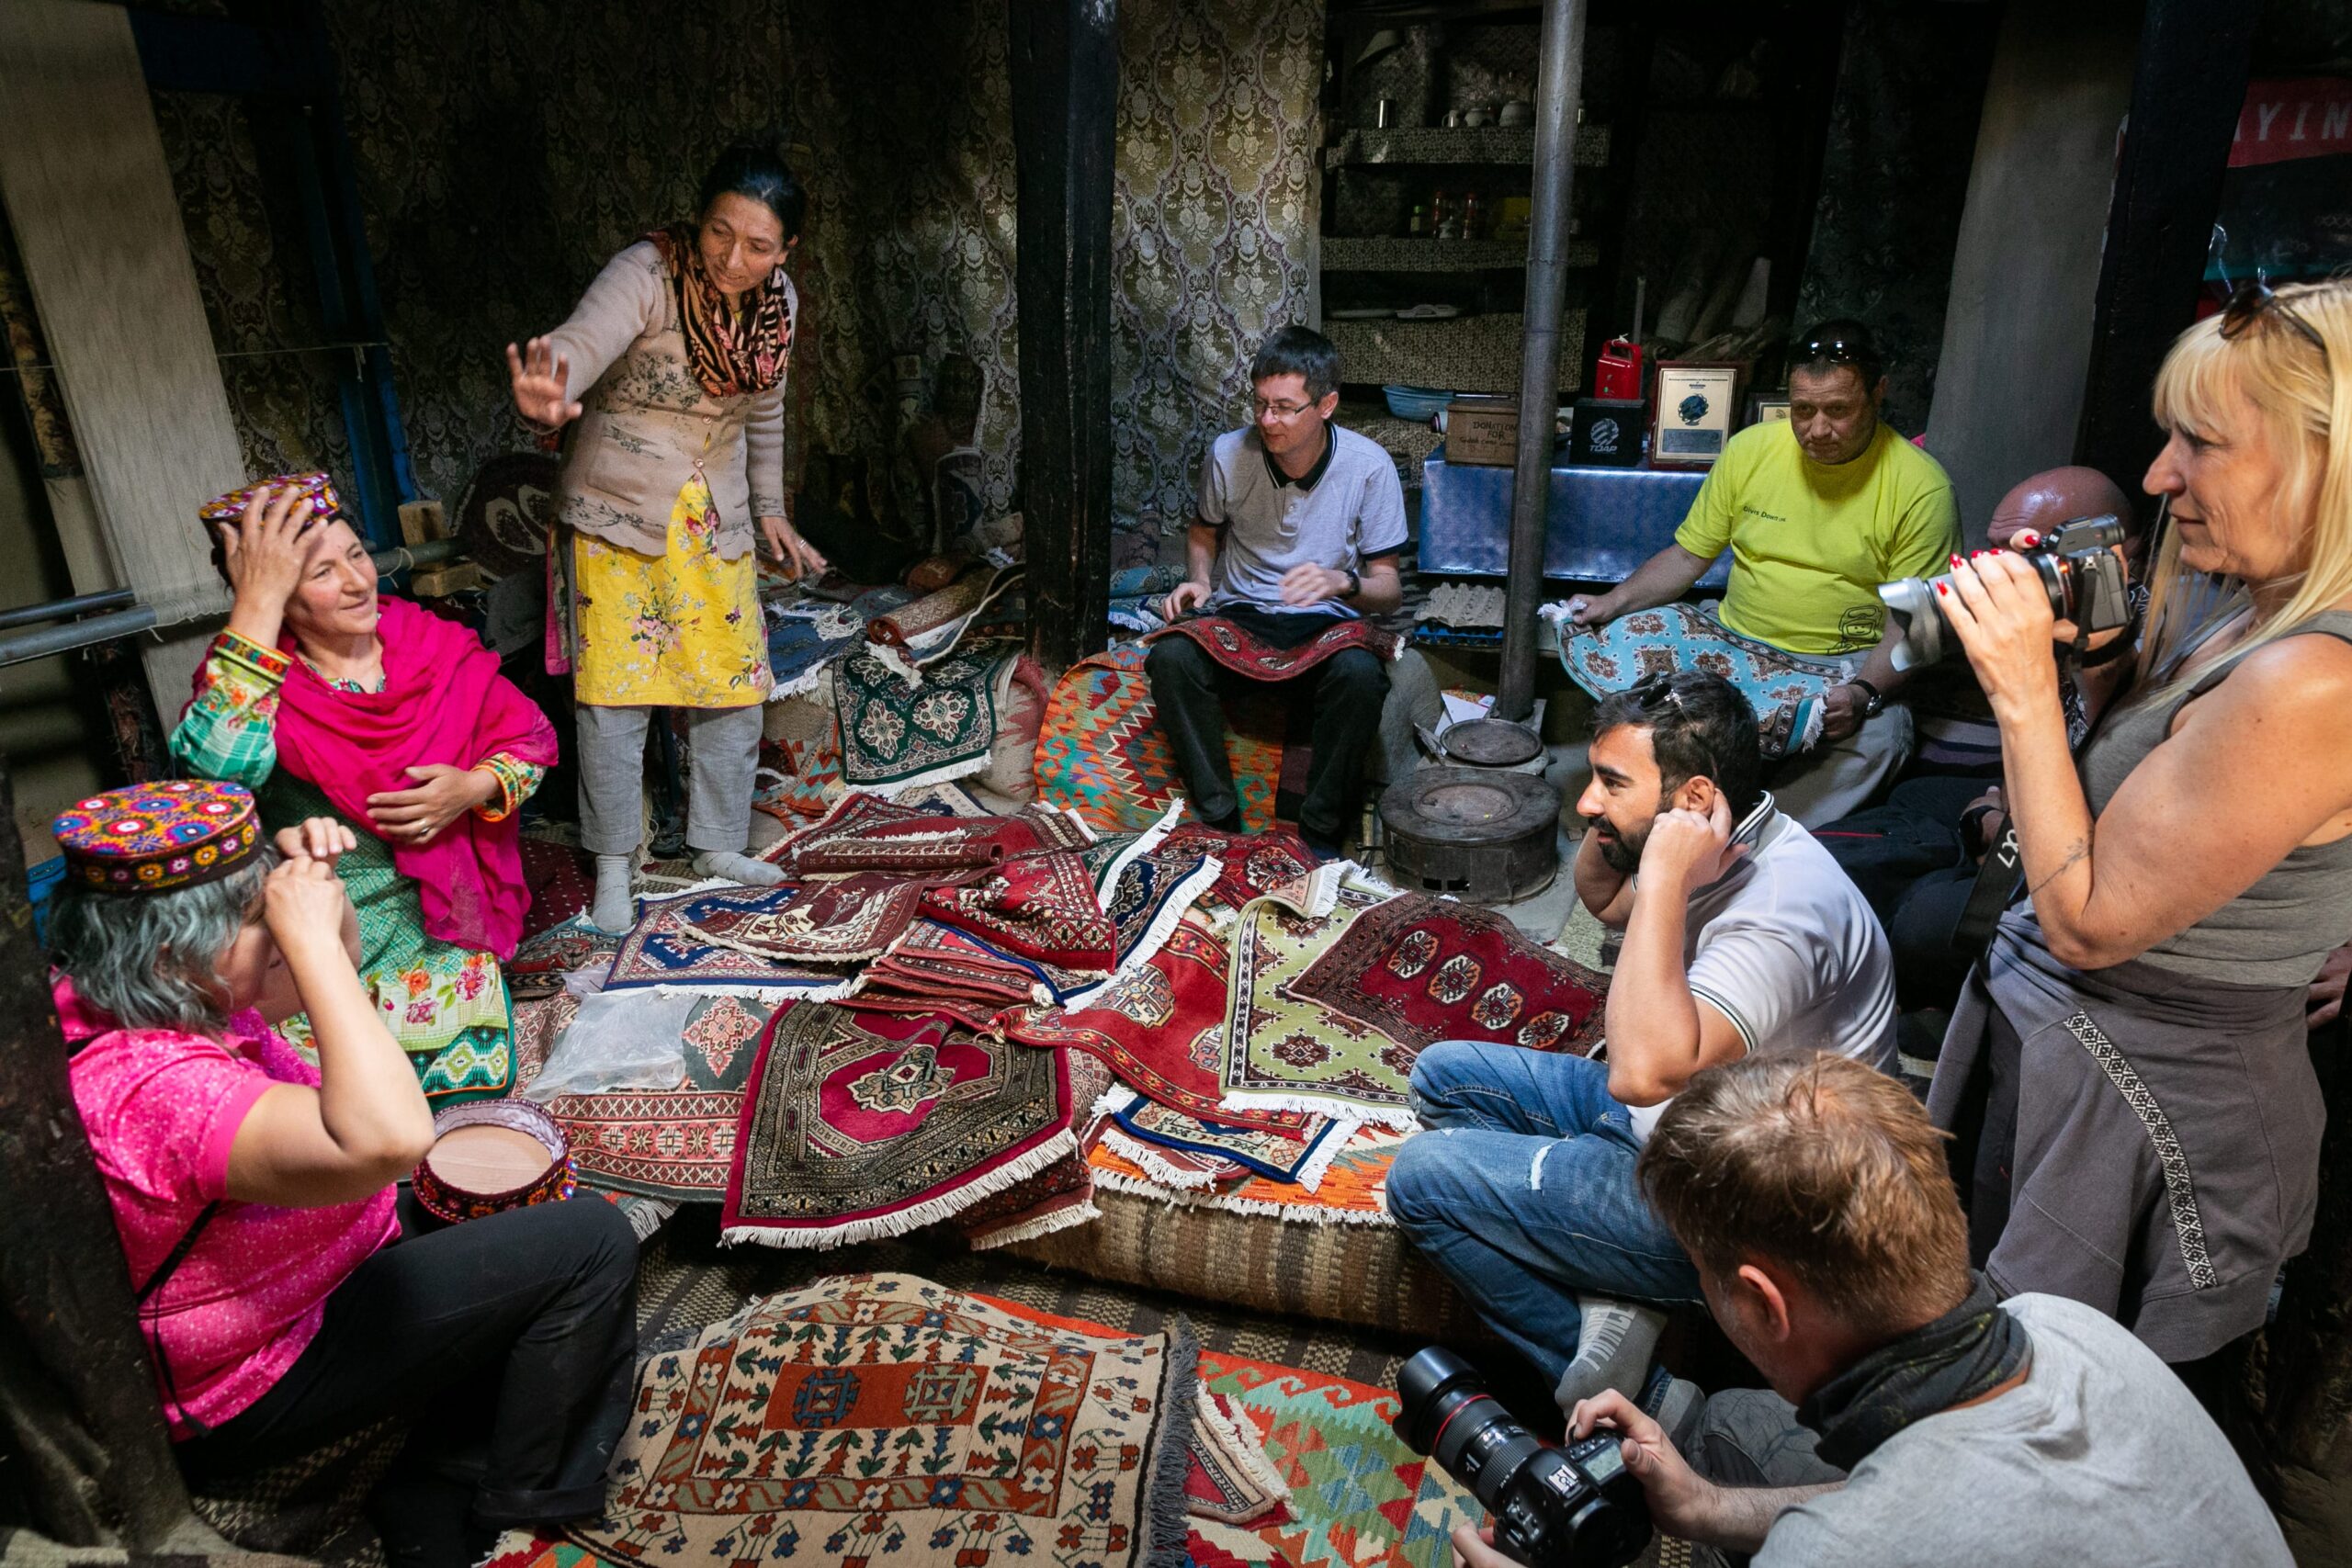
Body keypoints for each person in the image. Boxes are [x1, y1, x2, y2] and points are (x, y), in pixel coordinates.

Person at [1926, 276, 2352, 1367]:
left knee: (2067, 1402)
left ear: (2325, 459)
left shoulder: (2313, 677)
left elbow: (2087, 921)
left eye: (2199, 444)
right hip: (2079, 1056)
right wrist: (2105, 660)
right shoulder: (2254, 606)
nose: (2161, 476)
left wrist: (2021, 689)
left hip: (2155, 1104)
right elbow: (2170, 780)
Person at [48, 783, 636, 1568]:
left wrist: (320, 892)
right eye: (257, 920)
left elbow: (338, 965)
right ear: (171, 956)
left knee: (505, 1204)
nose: (280, 934)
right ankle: (514, 1502)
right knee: (591, 1237)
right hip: (254, 1377)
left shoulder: (143, 991)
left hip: (317, 1265)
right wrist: (310, 942)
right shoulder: (154, 1088)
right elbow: (393, 1138)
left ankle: (438, 1448)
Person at [1452, 1052, 2290, 1568]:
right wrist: (1704, 1508)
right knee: (1731, 1426)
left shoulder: (1838, 1552)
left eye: (1704, 1275)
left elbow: (1890, 1525)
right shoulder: (2068, 1325)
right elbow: (1910, 1499)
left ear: (1763, 1303)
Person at [1388, 669, 1894, 1420]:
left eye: (1612, 783)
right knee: (1442, 1077)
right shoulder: (1728, 837)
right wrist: (1629, 841)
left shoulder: (1781, 917)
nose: (1585, 801)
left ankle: (1642, 1398)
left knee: (1421, 1179)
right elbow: (1603, 898)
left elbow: (1640, 1073)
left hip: (1744, 1217)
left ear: (1693, 799)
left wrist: (1661, 875)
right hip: (1688, 1127)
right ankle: (1615, 1284)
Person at [508, 136, 828, 932]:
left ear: (786, 250)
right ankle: (616, 864)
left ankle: (715, 843)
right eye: (720, 232)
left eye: (758, 246)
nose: (733, 259)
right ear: (698, 219)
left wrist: (770, 506)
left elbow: (764, 410)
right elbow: (583, 339)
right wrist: (552, 384)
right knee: (615, 698)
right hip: (616, 511)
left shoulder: (778, 304)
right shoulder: (648, 274)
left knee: (732, 682)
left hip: (711, 516)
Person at [176, 475, 558, 1104]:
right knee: (337, 1110)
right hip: (322, 926)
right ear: (273, 593)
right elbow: (214, 781)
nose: (358, 582)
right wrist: (256, 607)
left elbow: (531, 739)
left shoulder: (429, 642)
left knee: (464, 1100)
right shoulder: (253, 677)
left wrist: (473, 787)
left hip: (447, 916)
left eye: (357, 555)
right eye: (322, 572)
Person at [1564, 321, 1962, 825]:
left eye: (1839, 410)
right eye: (1803, 410)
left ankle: (1749, 830)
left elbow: (1914, 630)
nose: (1818, 429)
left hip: (1840, 665)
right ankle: (1668, 793)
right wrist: (1612, 602)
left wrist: (1862, 693)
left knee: (1883, 736)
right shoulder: (1750, 450)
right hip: (1733, 645)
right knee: (1628, 631)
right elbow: (1687, 558)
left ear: (1878, 393)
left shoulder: (1922, 489)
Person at [1815, 465, 2138, 1016]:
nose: (1992, 571)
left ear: (2113, 556)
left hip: (2095, 858)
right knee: (1914, 798)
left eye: (2025, 554)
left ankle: (1929, 998)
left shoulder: (2139, 637)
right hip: (2035, 798)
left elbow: (2099, 778)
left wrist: (1998, 821)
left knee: (1925, 921)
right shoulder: (2071, 620)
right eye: (1994, 549)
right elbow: (2060, 744)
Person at [1148, 325, 1406, 857]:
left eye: (1285, 408)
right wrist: (1200, 580)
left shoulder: (1369, 466)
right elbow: (1203, 531)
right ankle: (1219, 818)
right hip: (1243, 613)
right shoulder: (1229, 454)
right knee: (1170, 658)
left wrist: (1343, 582)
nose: (1268, 421)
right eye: (1261, 404)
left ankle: (1318, 832)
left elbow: (1390, 589)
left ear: (1326, 405)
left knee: (1361, 677)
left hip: (1323, 620)